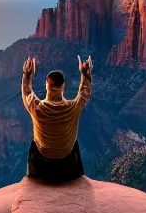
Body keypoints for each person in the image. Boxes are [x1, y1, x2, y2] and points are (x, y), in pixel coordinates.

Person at [21, 54, 93, 183]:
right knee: (74, 143)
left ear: (46, 86)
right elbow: (84, 95)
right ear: (63, 86)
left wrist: (27, 75)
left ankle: (33, 177)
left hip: (41, 165)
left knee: (34, 142)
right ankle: (76, 176)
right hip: (67, 163)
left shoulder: (36, 108)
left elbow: (26, 92)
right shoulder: (73, 107)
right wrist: (85, 75)